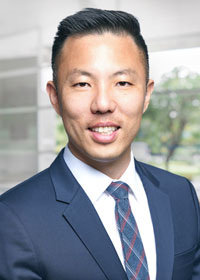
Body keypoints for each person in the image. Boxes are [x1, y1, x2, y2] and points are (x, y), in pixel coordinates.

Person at [0, 8, 199, 280]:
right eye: (82, 84)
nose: (103, 104)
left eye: (123, 82)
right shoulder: (12, 218)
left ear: (146, 94)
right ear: (55, 97)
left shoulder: (181, 194)